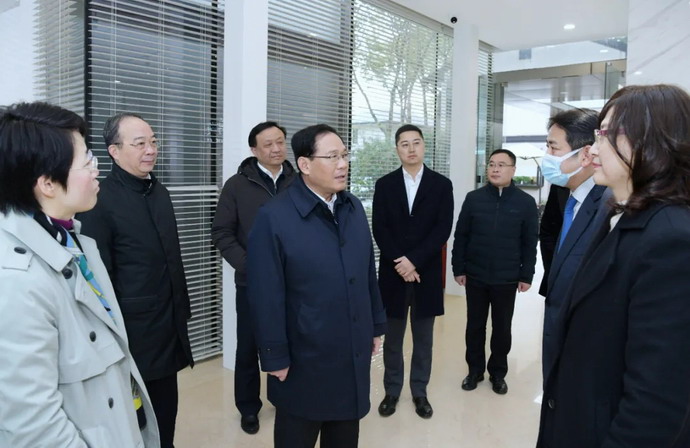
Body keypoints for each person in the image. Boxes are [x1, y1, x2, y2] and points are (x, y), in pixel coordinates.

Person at [537, 84, 690, 447]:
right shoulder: (616, 214)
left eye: (604, 135)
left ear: (650, 142)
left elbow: (655, 401)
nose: (593, 148)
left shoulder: (672, 239)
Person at [0, 102, 159, 447]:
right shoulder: (16, 281)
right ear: (47, 183)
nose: (96, 169)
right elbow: (34, 427)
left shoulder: (72, 238)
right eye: (86, 161)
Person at [247, 124, 387, 448]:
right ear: (305, 165)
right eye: (332, 157)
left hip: (350, 347)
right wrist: (274, 355)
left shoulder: (352, 208)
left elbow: (367, 271)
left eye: (345, 155)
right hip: (304, 355)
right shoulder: (274, 217)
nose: (342, 164)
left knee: (344, 435)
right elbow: (265, 295)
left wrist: (375, 325)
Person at [78, 113, 193, 448]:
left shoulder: (159, 192)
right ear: (114, 151)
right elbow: (98, 278)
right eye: (139, 143)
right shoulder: (100, 200)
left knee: (165, 414)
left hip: (167, 326)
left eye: (153, 142)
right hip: (131, 334)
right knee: (135, 423)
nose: (151, 150)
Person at [211, 121, 296, 434]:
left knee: (289, 341)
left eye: (280, 142)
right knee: (248, 346)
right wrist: (249, 265)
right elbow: (222, 232)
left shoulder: (298, 182)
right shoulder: (237, 185)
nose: (276, 149)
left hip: (293, 282)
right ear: (254, 150)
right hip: (252, 282)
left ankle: (284, 397)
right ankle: (248, 407)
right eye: (268, 144)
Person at [372, 124, 453, 419]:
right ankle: (392, 391)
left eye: (415, 142)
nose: (411, 149)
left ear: (423, 146)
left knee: (423, 340)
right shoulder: (385, 184)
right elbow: (379, 228)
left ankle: (420, 392)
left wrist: (414, 261)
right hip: (393, 275)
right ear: (397, 149)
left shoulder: (441, 185)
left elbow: (442, 229)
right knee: (393, 339)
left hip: (425, 273)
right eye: (404, 144)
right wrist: (401, 263)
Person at [452, 149, 538, 395]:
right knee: (474, 326)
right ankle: (474, 371)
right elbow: (461, 236)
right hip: (475, 275)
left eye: (501, 165)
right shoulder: (474, 199)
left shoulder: (525, 203)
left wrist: (526, 275)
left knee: (502, 329)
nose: (495, 169)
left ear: (513, 170)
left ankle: (498, 374)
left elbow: (529, 242)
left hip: (506, 278)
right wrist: (458, 268)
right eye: (491, 164)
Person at [540, 108, 610, 384]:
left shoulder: (608, 208)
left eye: (553, 147)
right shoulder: (571, 199)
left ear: (586, 154)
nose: (547, 155)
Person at [537, 184, 569, 296]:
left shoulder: (604, 190)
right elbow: (547, 231)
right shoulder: (559, 188)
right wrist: (552, 268)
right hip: (556, 276)